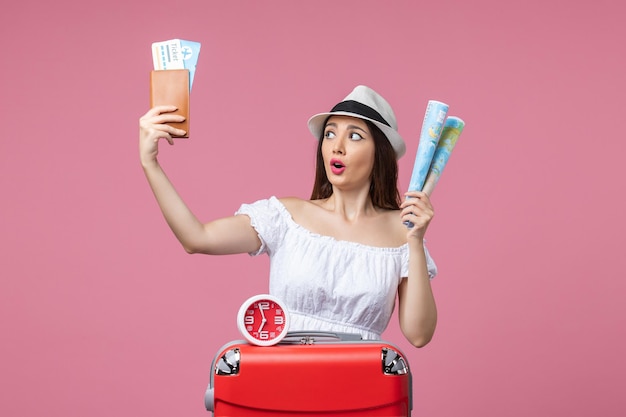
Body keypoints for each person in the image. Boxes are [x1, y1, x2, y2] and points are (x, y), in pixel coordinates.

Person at [139, 85, 438, 347]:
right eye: (330, 134)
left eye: (355, 136)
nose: (338, 146)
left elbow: (419, 335)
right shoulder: (286, 217)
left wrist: (414, 242)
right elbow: (197, 238)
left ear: (380, 155)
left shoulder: (403, 232)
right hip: (284, 385)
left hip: (362, 391)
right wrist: (150, 163)